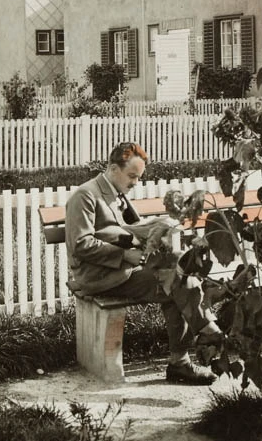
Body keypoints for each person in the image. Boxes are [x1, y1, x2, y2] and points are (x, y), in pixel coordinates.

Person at [65, 141, 224, 385]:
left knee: (179, 269)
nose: (135, 183)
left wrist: (154, 233)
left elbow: (129, 232)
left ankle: (195, 344)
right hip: (99, 276)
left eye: (138, 177)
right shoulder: (86, 195)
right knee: (176, 283)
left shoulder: (117, 195)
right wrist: (124, 255)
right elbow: (80, 245)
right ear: (112, 168)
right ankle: (201, 339)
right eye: (132, 176)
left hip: (124, 271)